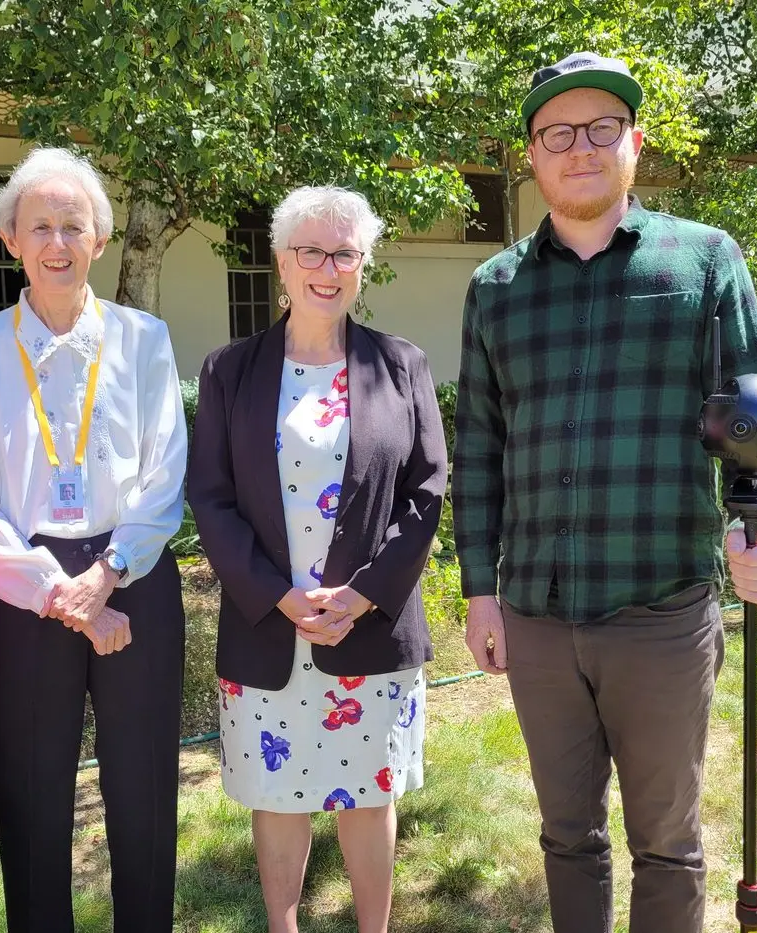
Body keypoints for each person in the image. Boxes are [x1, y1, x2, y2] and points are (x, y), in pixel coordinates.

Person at [452, 53, 757, 933]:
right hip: (537, 613)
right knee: (567, 835)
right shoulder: (494, 289)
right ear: (532, 154)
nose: (580, 149)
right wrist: (480, 592)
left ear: (634, 144)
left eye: (602, 128)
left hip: (661, 609)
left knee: (666, 841)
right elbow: (480, 447)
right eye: (557, 133)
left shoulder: (704, 262)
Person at [188, 185, 448, 933]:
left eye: (344, 252)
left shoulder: (401, 366)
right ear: (280, 261)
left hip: (367, 626)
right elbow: (211, 496)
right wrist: (275, 594)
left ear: (364, 264)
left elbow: (426, 491)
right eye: (311, 251)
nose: (326, 268)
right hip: (269, 627)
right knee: (279, 796)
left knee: (369, 793)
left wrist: (365, 594)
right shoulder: (229, 370)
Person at [0, 147, 188, 933]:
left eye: (73, 226)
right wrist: (63, 594)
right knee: (29, 793)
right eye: (40, 225)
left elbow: (165, 472)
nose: (57, 243)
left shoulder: (145, 338)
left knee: (144, 790)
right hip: (21, 595)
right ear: (10, 238)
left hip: (134, 575)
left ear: (100, 240)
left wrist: (108, 574)